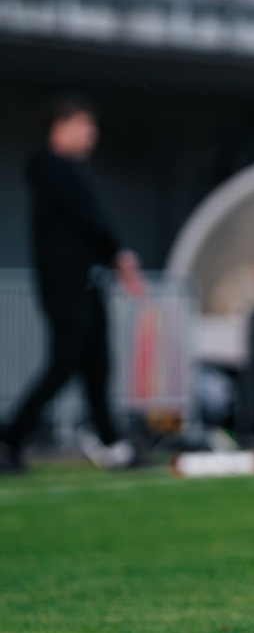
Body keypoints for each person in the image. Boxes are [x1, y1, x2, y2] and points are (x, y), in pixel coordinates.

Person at [1, 96, 145, 473]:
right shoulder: (51, 168)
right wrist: (118, 253)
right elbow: (89, 219)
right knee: (63, 366)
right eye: (84, 125)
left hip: (89, 284)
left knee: (98, 366)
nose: (90, 134)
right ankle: (9, 437)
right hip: (66, 287)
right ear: (60, 127)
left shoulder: (71, 172)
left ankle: (113, 444)